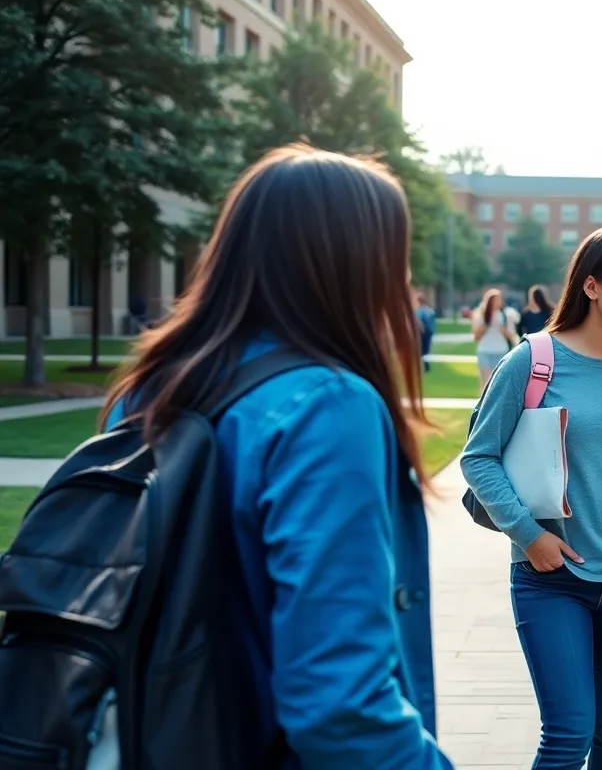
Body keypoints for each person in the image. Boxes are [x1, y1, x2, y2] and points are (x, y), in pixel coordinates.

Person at [101, 145, 452, 769]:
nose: (400, 286)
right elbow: (341, 707)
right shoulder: (327, 406)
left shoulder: (152, 387)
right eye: (391, 261)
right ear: (351, 266)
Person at [461, 223, 602, 770]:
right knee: (568, 734)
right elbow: (478, 457)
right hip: (551, 578)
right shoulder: (532, 361)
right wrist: (529, 534)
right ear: (591, 286)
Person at [473, 287, 517, 389]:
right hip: (485, 350)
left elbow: (512, 336)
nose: (497, 303)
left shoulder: (506, 315)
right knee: (485, 383)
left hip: (501, 351)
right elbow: (476, 336)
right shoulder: (481, 315)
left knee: (498, 382)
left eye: (498, 300)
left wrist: (503, 329)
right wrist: (486, 324)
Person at [416, 292, 437, 371]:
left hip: (422, 332)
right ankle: (426, 365)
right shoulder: (429, 311)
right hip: (428, 332)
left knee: (421, 349)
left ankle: (423, 365)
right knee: (426, 349)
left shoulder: (419, 311)